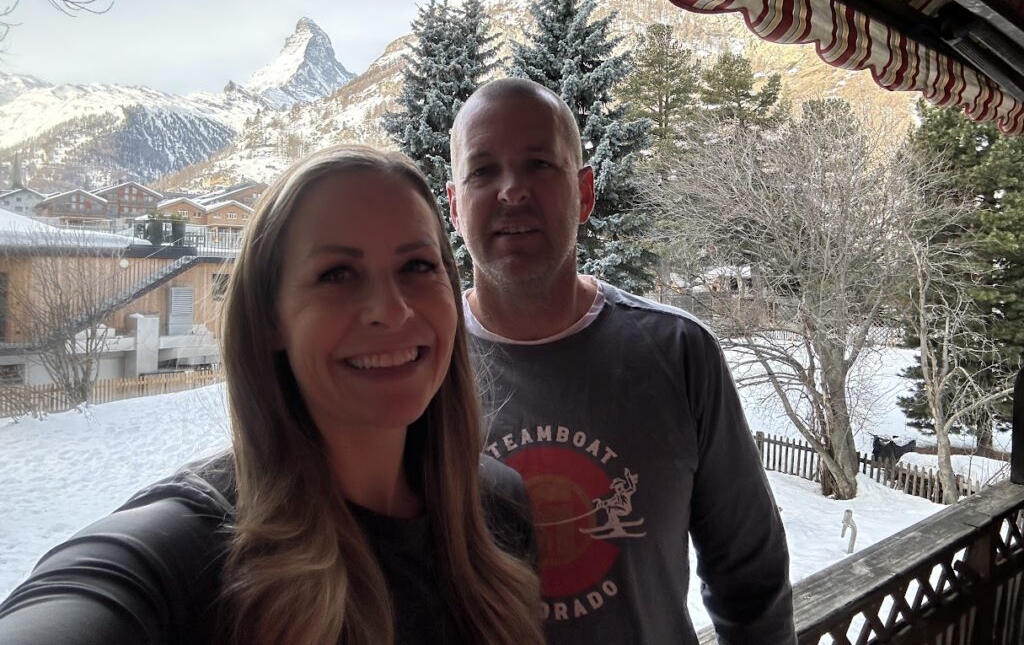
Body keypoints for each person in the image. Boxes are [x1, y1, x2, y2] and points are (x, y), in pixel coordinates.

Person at [0, 145, 543, 645]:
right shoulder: (189, 552)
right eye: (337, 274)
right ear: (268, 320)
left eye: (418, 266)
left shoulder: (497, 508)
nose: (392, 310)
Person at [446, 77, 797, 645]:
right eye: (483, 170)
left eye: (539, 163)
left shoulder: (680, 354)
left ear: (584, 193)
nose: (511, 190)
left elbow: (749, 574)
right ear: (455, 206)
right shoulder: (421, 367)